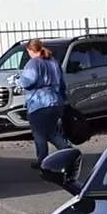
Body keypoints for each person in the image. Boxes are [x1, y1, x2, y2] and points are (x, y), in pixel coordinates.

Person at [17, 39, 71, 170]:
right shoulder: (53, 62)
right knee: (52, 132)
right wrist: (63, 99)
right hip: (56, 101)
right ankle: (68, 152)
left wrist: (18, 80)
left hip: (39, 103)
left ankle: (43, 161)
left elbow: (28, 82)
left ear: (30, 50)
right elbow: (62, 84)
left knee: (39, 133)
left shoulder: (33, 63)